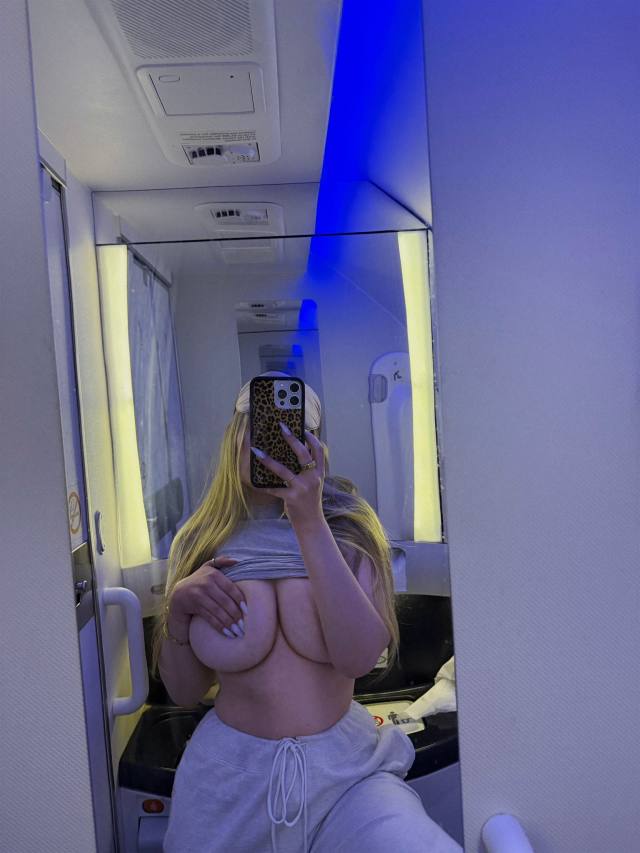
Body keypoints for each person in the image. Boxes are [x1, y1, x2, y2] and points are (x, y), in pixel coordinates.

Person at [154, 374, 461, 853]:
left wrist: (309, 520)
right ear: (234, 435)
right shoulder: (198, 540)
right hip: (226, 778)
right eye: (257, 425)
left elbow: (359, 658)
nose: (271, 440)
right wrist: (177, 610)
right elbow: (184, 691)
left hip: (347, 776)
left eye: (290, 429)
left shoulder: (350, 529)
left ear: (315, 444)